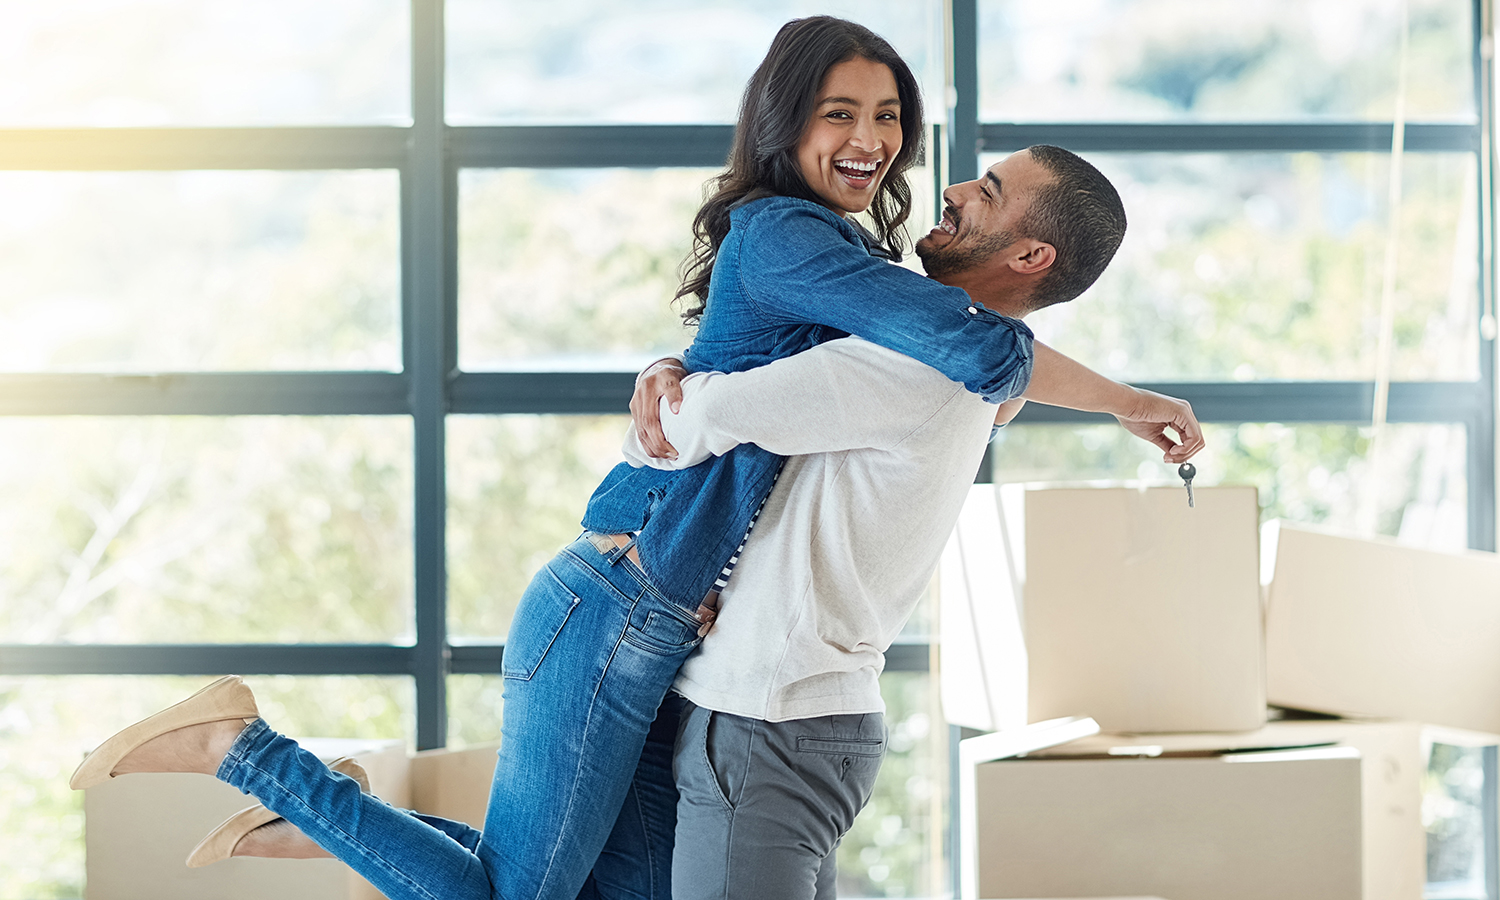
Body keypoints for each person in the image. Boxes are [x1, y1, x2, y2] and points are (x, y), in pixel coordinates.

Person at [66, 16, 1198, 900]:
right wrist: (699, 393)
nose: (880, 143)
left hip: (665, 616)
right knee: (522, 895)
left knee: (609, 884)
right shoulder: (791, 236)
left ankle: (335, 816)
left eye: (889, 114)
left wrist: (1118, 399)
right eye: (840, 112)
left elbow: (968, 351)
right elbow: (973, 348)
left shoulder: (863, 274)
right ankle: (248, 750)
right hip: (619, 596)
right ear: (784, 121)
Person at [623, 146, 1185, 900]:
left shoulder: (918, 367)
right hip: (801, 718)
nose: (953, 191)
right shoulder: (971, 376)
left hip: (768, 718)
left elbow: (692, 425)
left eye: (987, 191)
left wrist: (667, 377)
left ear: (1029, 253)